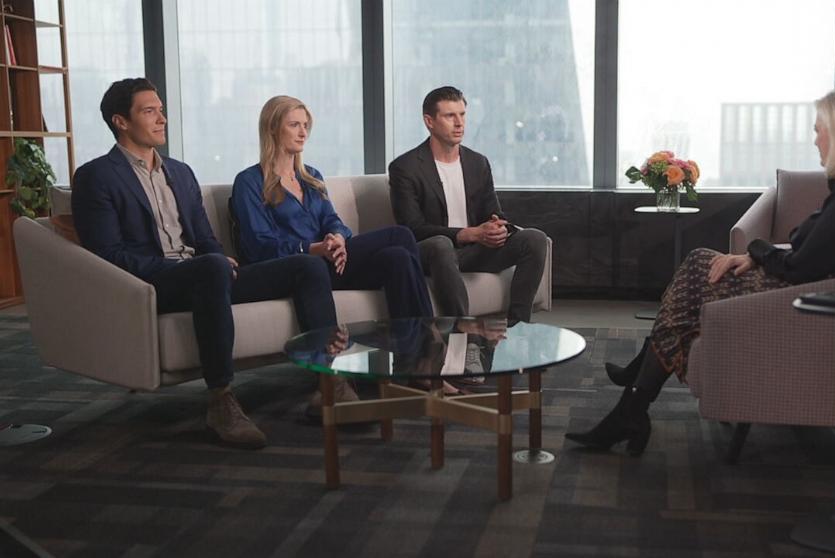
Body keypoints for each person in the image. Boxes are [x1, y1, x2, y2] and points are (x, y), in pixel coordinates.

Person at [565, 84, 835, 456]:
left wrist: (756, 249)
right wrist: (756, 256)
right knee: (701, 264)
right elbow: (809, 249)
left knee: (698, 273)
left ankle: (637, 391)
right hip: (808, 289)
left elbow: (801, 266)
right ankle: (635, 399)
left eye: (819, 129)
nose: (815, 140)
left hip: (811, 303)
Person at [72, 78, 337, 450]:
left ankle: (329, 382)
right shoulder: (96, 176)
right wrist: (203, 263)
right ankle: (221, 400)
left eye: (161, 110)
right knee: (211, 267)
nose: (162, 118)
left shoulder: (179, 172)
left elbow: (204, 237)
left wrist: (218, 256)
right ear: (121, 121)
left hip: (206, 274)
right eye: (149, 111)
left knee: (306, 266)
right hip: (153, 283)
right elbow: (108, 254)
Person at [230, 95, 435, 404]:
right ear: (273, 129)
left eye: (306, 125)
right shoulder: (249, 182)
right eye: (294, 125)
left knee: (398, 256)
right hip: (300, 268)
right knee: (400, 235)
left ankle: (415, 362)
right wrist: (314, 248)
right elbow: (260, 246)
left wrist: (337, 238)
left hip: (330, 263)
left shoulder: (312, 177)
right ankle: (429, 359)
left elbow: (334, 221)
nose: (303, 132)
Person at [388, 86, 548, 325]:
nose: (459, 123)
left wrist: (496, 227)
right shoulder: (405, 168)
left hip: (474, 250)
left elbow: (492, 212)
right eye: (450, 116)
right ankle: (465, 332)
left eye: (462, 115)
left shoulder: (477, 162)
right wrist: (466, 234)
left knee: (534, 238)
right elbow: (411, 228)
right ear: (429, 121)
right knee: (441, 245)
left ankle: (518, 326)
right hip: (432, 253)